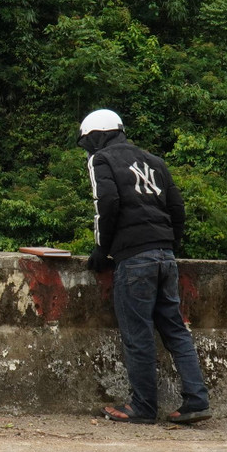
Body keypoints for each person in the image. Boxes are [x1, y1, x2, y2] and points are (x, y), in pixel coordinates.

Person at [78, 108, 210, 425]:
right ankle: (196, 400)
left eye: (86, 143)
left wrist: (101, 249)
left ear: (96, 136)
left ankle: (143, 407)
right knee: (176, 331)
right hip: (165, 256)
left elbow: (106, 204)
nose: (87, 150)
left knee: (137, 335)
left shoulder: (101, 160)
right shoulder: (155, 161)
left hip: (134, 259)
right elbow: (177, 208)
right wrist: (168, 244)